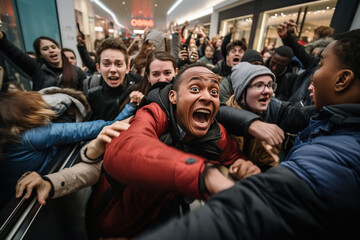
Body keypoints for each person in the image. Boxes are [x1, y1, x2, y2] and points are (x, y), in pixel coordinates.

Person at [135, 28, 360, 240]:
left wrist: (250, 168)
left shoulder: (338, 153)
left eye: (320, 65)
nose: (312, 76)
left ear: (342, 80)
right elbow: (129, 151)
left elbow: (259, 206)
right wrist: (206, 174)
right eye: (195, 89)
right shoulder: (154, 113)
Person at [87, 63, 260, 238]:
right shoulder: (153, 113)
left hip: (163, 217)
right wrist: (202, 175)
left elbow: (233, 155)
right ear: (173, 97)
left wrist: (243, 165)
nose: (207, 97)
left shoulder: (217, 134)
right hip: (114, 222)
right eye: (195, 88)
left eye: (214, 92)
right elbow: (127, 148)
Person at [0, 91, 130, 210]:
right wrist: (130, 107)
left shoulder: (9, 138)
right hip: (28, 205)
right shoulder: (34, 136)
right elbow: (91, 129)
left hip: (7, 201)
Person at [224, 62, 314, 169]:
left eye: (270, 85)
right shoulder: (223, 115)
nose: (268, 91)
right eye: (259, 85)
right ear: (241, 91)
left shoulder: (276, 109)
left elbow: (301, 115)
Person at [0, 32, 87, 91]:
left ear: (59, 49)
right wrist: (2, 38)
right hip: (47, 114)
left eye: (53, 47)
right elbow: (15, 54)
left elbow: (84, 95)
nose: (51, 50)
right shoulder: (37, 68)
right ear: (40, 54)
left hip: (73, 115)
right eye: (45, 49)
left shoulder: (76, 71)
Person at [83, 37, 141, 121]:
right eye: (106, 64)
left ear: (127, 68)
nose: (113, 70)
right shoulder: (91, 91)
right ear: (98, 68)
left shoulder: (139, 85)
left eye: (118, 64)